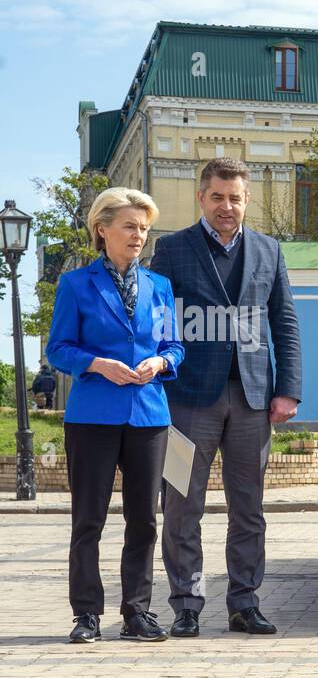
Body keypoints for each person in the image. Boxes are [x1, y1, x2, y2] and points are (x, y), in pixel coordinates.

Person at [150, 157, 302, 637]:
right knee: (179, 503)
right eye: (217, 196)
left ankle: (243, 603)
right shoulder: (171, 250)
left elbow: (285, 323)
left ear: (247, 200)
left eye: (235, 197)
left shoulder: (269, 250)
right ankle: (186, 604)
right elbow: (158, 323)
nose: (226, 206)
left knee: (249, 506)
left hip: (254, 399)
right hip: (186, 399)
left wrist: (288, 390)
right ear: (201, 198)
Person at [45, 187, 184, 644]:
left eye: (144, 227)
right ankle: (86, 614)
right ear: (102, 230)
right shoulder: (76, 285)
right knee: (89, 518)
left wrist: (160, 363)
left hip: (148, 415)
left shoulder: (160, 287)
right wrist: (96, 363)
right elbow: (59, 349)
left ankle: (137, 614)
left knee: (144, 519)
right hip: (92, 416)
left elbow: (174, 345)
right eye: (129, 226)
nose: (139, 235)